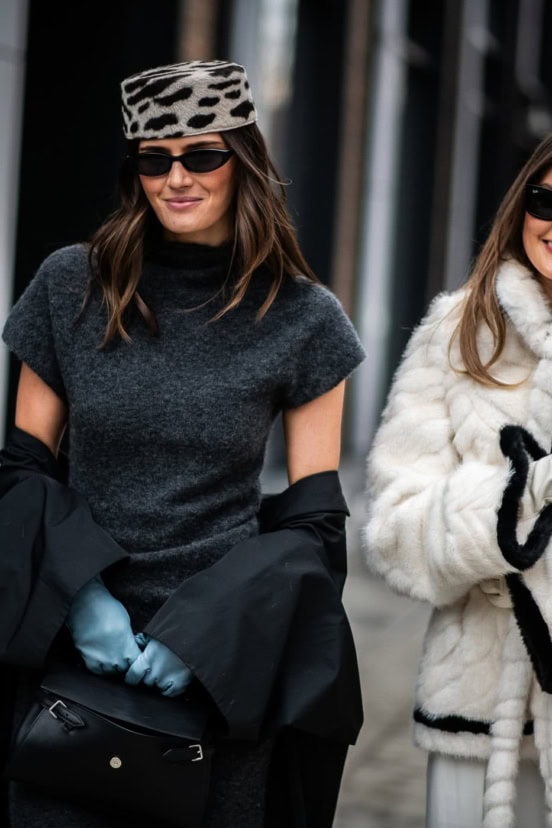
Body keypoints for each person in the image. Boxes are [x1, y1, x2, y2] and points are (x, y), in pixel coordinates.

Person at [0, 59, 366, 827]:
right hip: (71, 655)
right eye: (154, 159)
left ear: (244, 162)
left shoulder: (304, 318)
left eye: (202, 155)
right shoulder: (71, 285)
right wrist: (81, 599)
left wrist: (204, 637)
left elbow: (313, 521)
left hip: (220, 665)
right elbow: (22, 469)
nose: (177, 178)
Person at [364, 131, 552, 828]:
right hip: (482, 712)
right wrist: (514, 505)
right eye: (546, 201)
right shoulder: (461, 329)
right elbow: (394, 531)